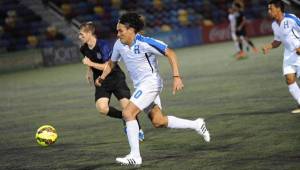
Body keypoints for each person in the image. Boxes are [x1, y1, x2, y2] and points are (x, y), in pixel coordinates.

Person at [96, 13, 210, 166]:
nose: (118, 34)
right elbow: (111, 63)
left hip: (151, 83)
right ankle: (197, 124)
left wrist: (176, 76)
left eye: (121, 30)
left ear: (131, 30)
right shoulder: (119, 45)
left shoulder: (145, 43)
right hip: (142, 86)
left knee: (127, 113)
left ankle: (135, 156)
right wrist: (102, 78)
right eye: (117, 30)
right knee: (158, 121)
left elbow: (170, 53)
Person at [78, 21, 144, 141]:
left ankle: (138, 130)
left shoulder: (104, 45)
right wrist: (89, 71)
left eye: (82, 34)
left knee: (127, 106)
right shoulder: (83, 48)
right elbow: (89, 58)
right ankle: (125, 117)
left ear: (89, 33)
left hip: (115, 78)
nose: (80, 37)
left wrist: (90, 64)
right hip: (101, 81)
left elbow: (107, 66)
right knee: (102, 108)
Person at [262, 0, 300, 113]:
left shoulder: (291, 18)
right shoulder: (274, 24)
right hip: (289, 53)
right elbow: (278, 41)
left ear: (278, 8)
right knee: (289, 79)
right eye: (268, 9)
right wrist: (269, 46)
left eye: (271, 8)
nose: (269, 11)